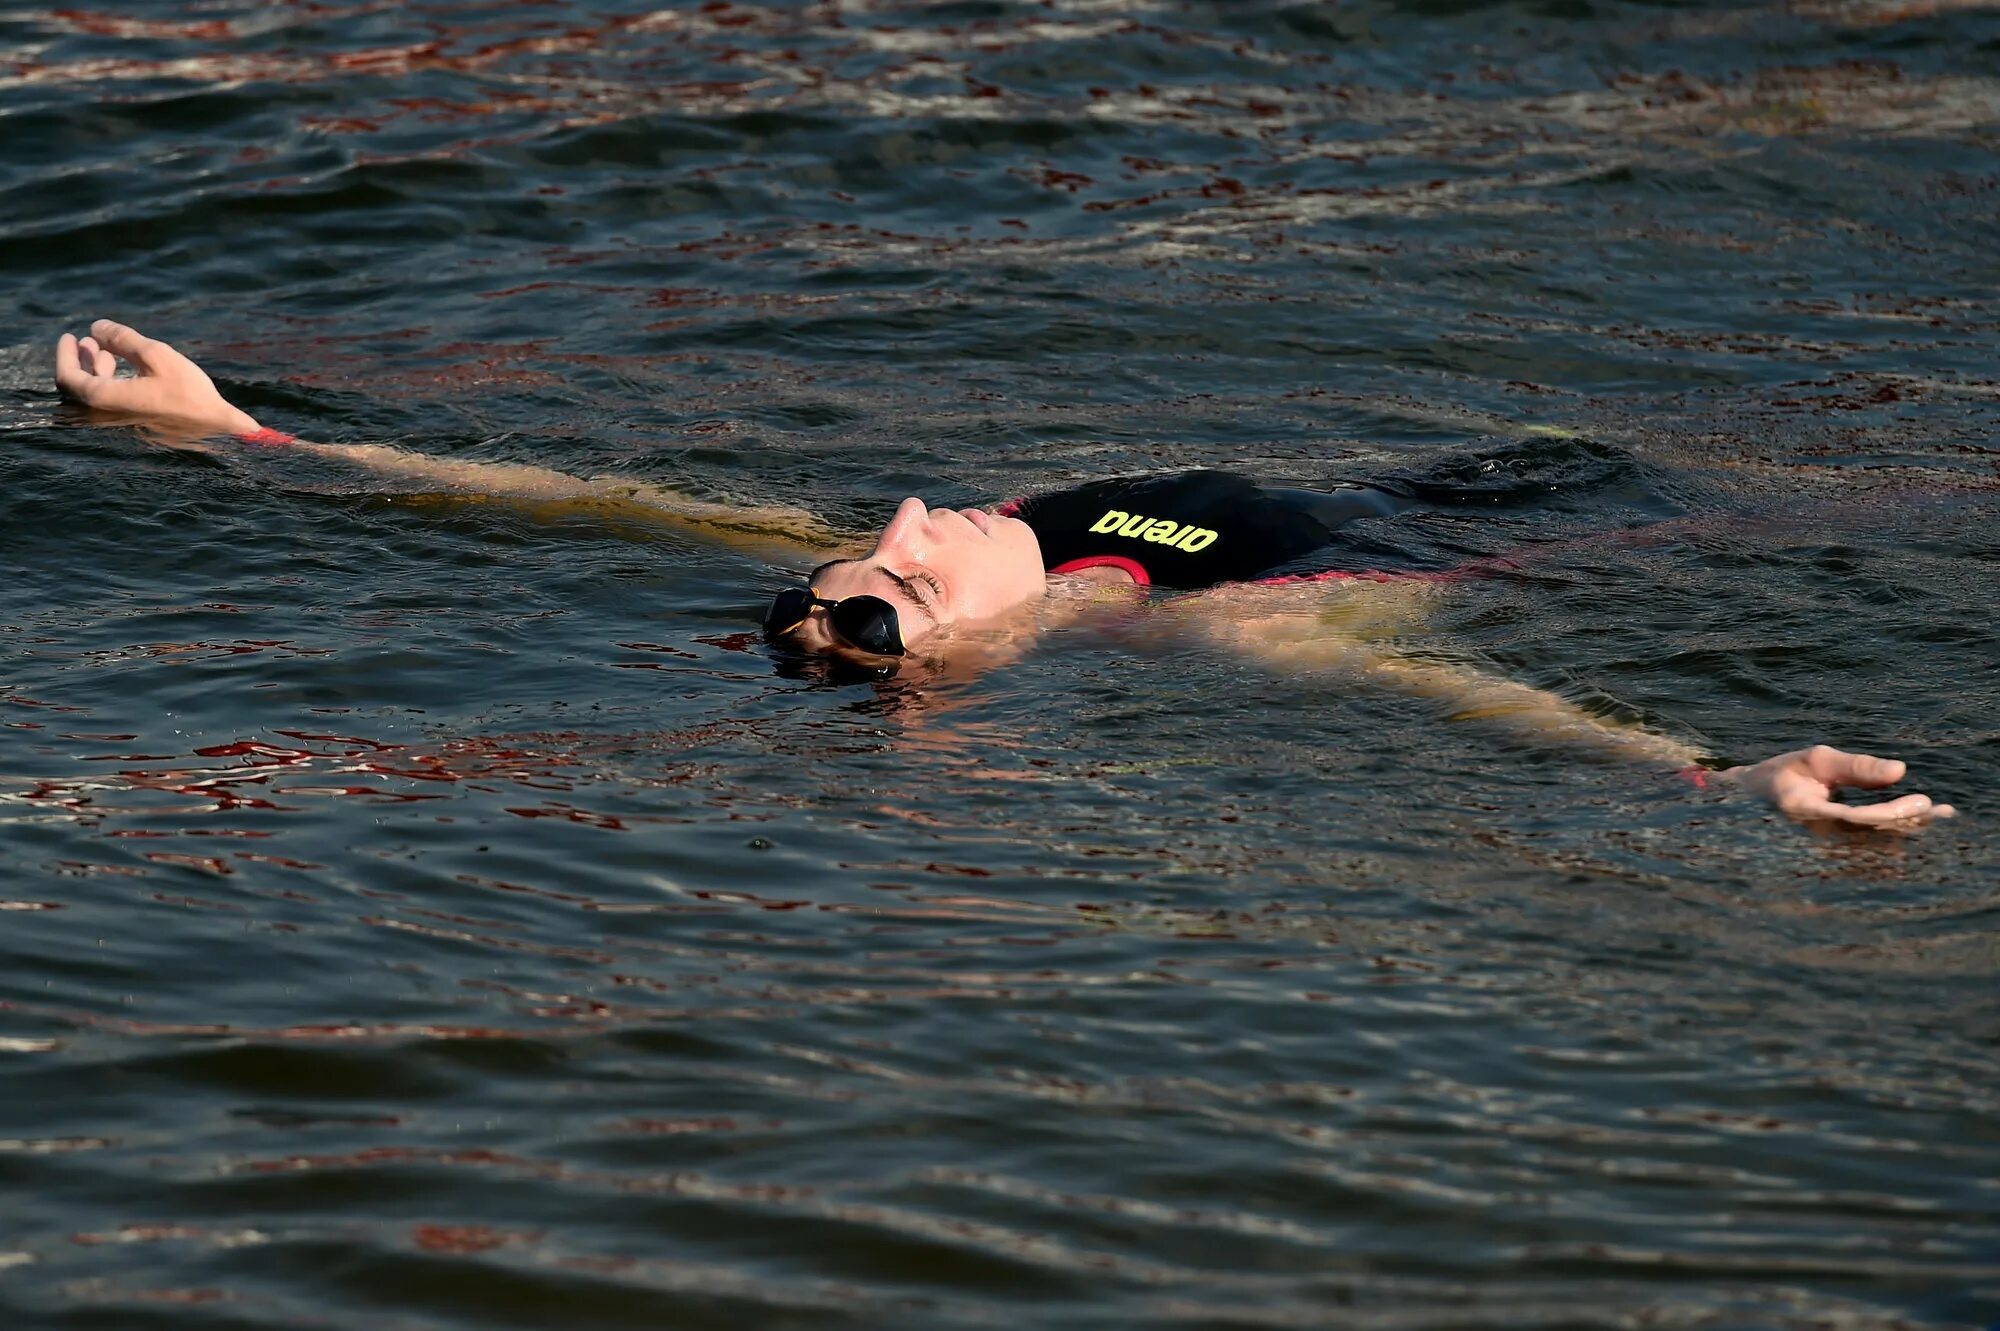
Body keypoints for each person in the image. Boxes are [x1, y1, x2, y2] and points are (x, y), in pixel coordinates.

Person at [52, 319, 1959, 829]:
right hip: (1555, 536)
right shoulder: (1267, 637)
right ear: (985, 651)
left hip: (1413, 461)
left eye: (868, 544)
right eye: (913, 569)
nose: (906, 517)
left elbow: (566, 493)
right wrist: (1721, 782)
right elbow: (1494, 708)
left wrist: (242, 436)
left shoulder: (1003, 565)